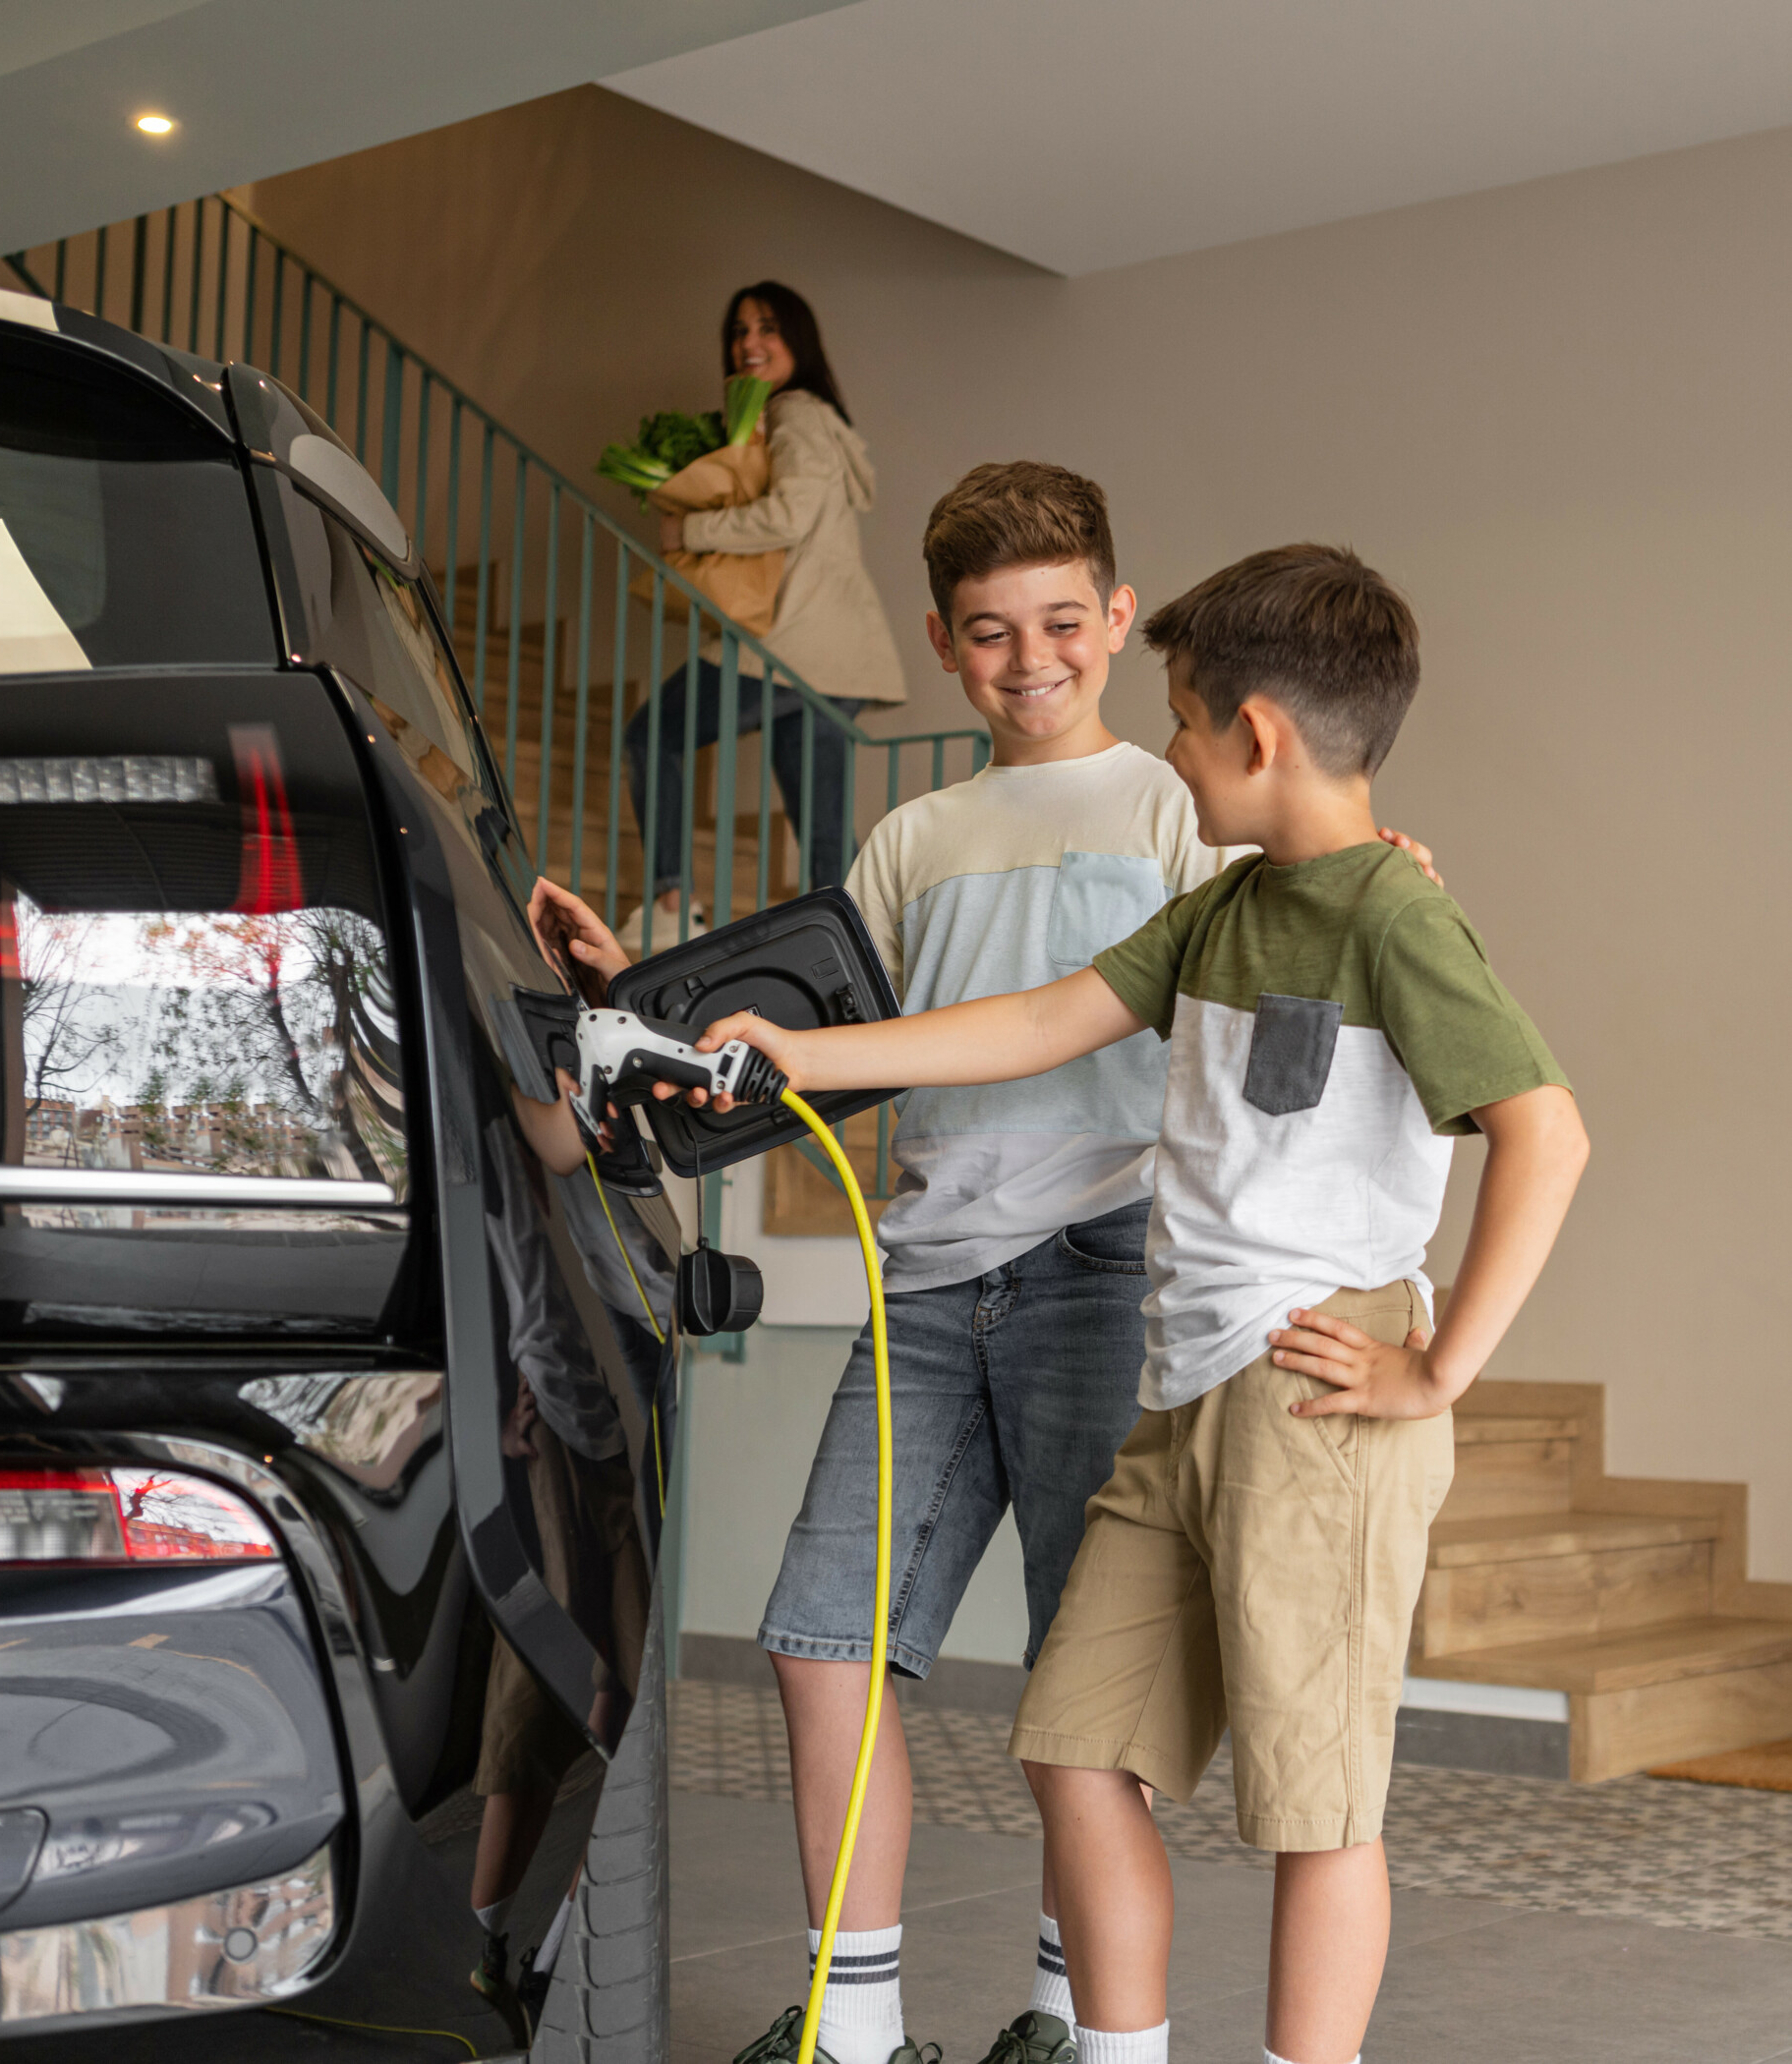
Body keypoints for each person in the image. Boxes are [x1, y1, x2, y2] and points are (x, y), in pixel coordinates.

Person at [533, 473, 1444, 2064]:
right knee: (825, 1640)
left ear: (1112, 616)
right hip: (926, 1285)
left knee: (1081, 1696)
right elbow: (840, 1031)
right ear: (948, 649)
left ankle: (1070, 2017)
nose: (1030, 658)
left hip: (1112, 1263)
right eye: (988, 633)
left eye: (1063, 623)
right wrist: (648, 1001)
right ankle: (856, 2029)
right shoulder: (912, 835)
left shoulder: (1186, 803)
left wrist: (1393, 882)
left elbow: (1305, 910)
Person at [621, 283, 905, 949]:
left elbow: (788, 515)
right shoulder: (821, 419)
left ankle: (670, 901)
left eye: (767, 328)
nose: (748, 343)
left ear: (798, 340)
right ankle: (867, 958)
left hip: (795, 645)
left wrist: (689, 531)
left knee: (650, 736)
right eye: (739, 330)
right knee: (825, 835)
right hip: (840, 656)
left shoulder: (794, 413)